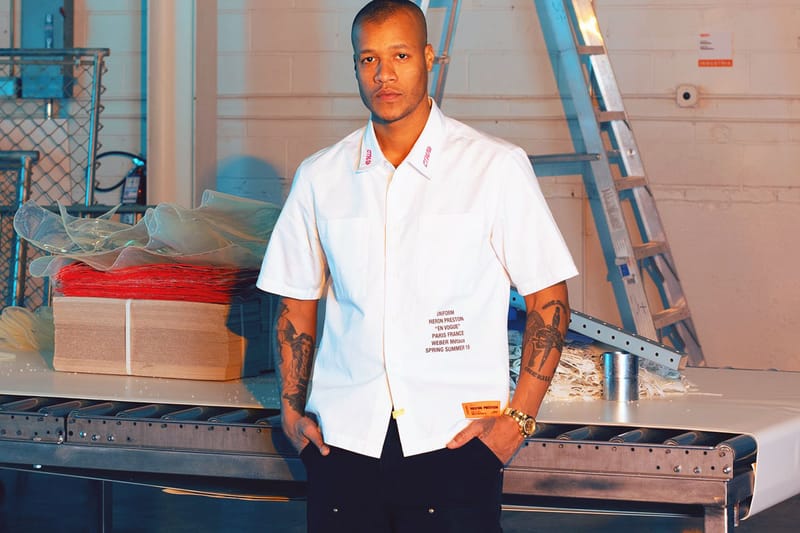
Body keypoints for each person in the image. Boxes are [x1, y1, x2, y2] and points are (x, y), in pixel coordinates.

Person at [257, 1, 578, 531]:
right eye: (369, 59)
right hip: (343, 444)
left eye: (400, 56)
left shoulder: (494, 167)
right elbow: (296, 300)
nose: (384, 74)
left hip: (455, 443)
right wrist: (291, 412)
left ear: (429, 58)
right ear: (355, 65)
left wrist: (517, 421)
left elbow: (548, 296)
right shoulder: (321, 176)